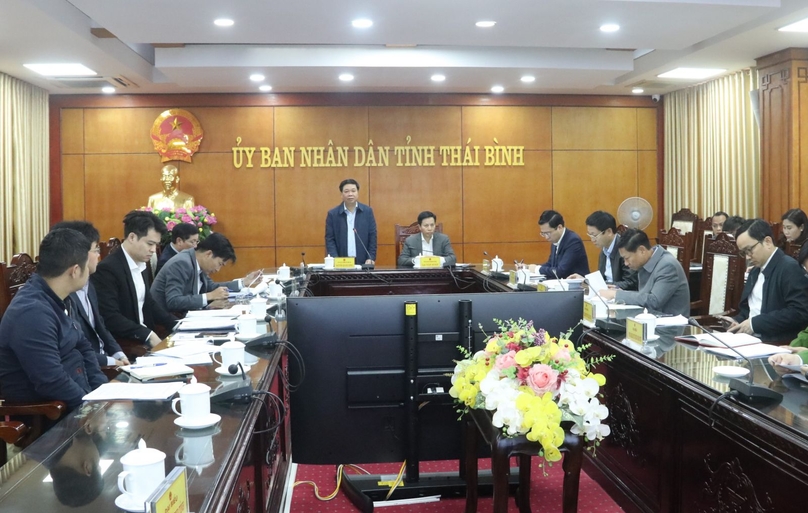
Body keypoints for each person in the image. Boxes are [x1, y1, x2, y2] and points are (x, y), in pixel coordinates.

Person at [0, 228, 107, 410]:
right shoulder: (31, 313)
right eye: (86, 268)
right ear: (74, 271)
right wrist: (90, 408)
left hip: (77, 396)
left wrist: (102, 392)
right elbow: (51, 380)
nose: (89, 273)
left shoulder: (61, 297)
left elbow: (83, 345)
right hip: (48, 415)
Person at [92, 211, 178, 348]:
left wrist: (175, 323)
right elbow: (110, 317)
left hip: (146, 338)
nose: (153, 250)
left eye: (156, 245)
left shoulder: (141, 263)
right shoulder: (108, 269)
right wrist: (147, 335)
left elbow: (148, 302)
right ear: (132, 237)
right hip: (127, 343)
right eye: (150, 244)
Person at [52, 221, 130, 368]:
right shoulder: (63, 293)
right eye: (96, 250)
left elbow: (100, 325)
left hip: (102, 362)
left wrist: (118, 353)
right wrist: (112, 362)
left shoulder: (89, 283)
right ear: (79, 252)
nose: (99, 256)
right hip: (92, 366)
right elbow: (73, 350)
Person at [718, 219, 808, 343]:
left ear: (767, 242)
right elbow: (749, 311)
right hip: (749, 340)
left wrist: (754, 324)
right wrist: (737, 321)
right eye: (743, 253)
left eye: (749, 250)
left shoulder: (789, 268)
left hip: (776, 344)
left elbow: (799, 313)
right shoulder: (755, 271)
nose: (748, 257)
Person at [151, 232, 260, 315]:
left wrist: (243, 282)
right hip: (167, 324)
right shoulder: (182, 263)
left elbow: (211, 287)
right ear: (208, 254)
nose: (218, 270)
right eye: (220, 264)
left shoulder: (196, 261)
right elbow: (173, 301)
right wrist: (209, 297)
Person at [597, 228, 690, 316]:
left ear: (642, 250)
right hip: (649, 319)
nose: (625, 263)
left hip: (670, 326)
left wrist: (616, 294)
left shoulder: (668, 266)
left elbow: (654, 301)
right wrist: (621, 292)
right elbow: (643, 295)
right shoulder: (645, 262)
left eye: (627, 258)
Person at [569, 211, 635, 288]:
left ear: (609, 232)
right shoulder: (604, 251)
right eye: (590, 235)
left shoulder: (625, 249)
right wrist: (586, 281)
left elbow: (630, 283)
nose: (592, 239)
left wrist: (591, 283)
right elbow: (602, 280)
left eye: (594, 235)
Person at [325, 179, 377, 264]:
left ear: (357, 193)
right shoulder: (333, 214)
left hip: (363, 261)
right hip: (341, 261)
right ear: (341, 194)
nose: (350, 194)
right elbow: (330, 239)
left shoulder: (367, 212)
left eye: (353, 191)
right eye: (346, 191)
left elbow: (372, 236)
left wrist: (371, 257)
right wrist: (335, 259)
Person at [537, 210, 589, 278]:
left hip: (577, 287)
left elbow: (561, 271)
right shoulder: (555, 240)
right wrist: (529, 268)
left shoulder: (573, 241)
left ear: (559, 227)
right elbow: (550, 265)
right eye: (543, 234)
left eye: (548, 233)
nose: (546, 237)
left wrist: (537, 269)